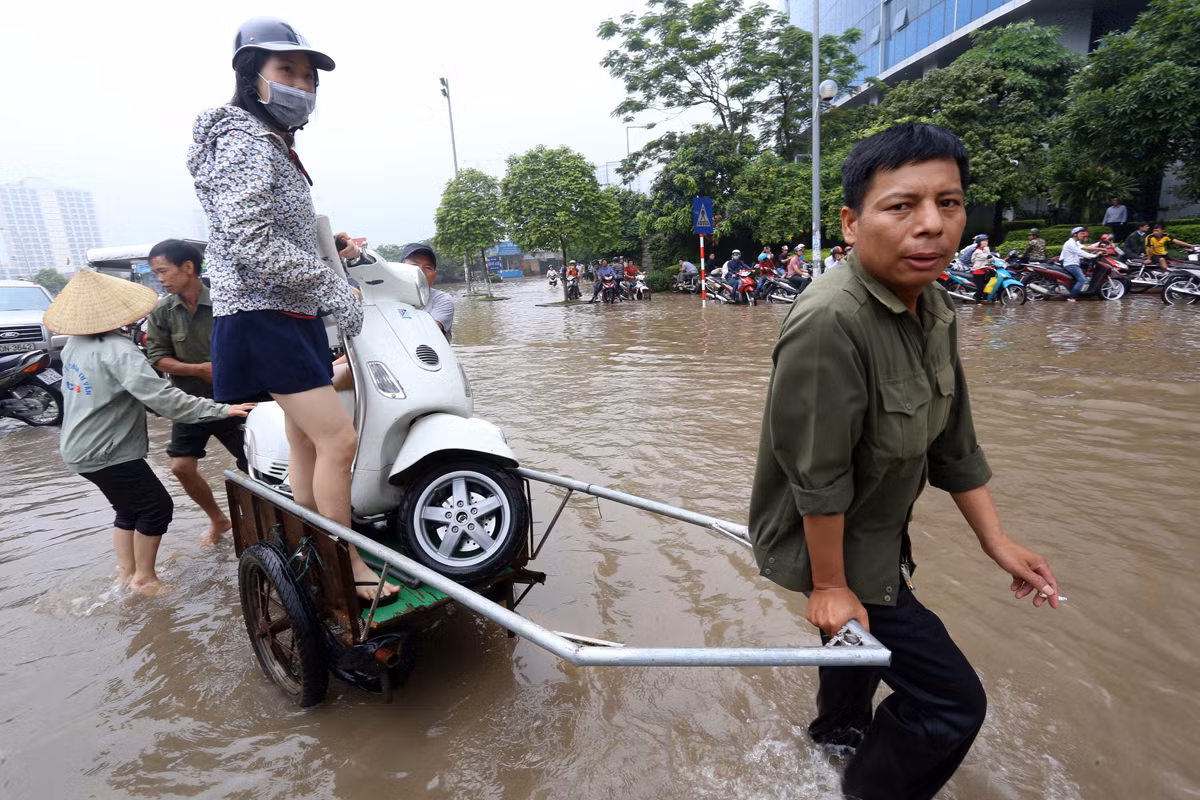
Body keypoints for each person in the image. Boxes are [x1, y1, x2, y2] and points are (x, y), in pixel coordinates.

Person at [749, 123, 1059, 800]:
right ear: (852, 223)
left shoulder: (936, 303)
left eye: (948, 203)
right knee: (951, 705)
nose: (932, 225)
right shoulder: (832, 320)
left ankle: (835, 740)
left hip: (881, 528)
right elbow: (818, 471)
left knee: (857, 661)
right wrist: (831, 585)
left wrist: (996, 539)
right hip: (827, 540)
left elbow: (954, 440)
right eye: (902, 206)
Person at [188, 17, 396, 600]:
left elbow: (283, 230)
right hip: (265, 313)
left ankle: (314, 543)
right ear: (251, 77)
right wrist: (333, 292)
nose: (301, 86)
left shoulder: (273, 141)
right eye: (286, 71)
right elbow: (252, 240)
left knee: (308, 442)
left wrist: (335, 261)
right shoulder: (242, 138)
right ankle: (346, 563)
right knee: (340, 442)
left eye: (309, 77)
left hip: (290, 312)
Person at [47, 270, 255, 595]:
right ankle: (145, 579)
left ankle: (126, 576)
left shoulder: (75, 345)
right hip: (108, 450)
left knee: (129, 508)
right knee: (157, 507)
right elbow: (163, 399)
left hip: (78, 448)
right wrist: (222, 408)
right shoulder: (119, 351)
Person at [145, 239, 249, 546]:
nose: (160, 279)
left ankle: (256, 522)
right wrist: (197, 370)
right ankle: (218, 519)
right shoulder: (163, 311)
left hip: (235, 399)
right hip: (190, 402)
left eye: (163, 271)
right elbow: (157, 357)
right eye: (156, 273)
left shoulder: (226, 301)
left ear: (188, 268)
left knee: (257, 465)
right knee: (180, 467)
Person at [1060, 226, 1101, 302]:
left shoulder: (1075, 243)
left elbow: (1085, 249)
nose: (1083, 235)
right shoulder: (1070, 243)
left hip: (1074, 263)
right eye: (1081, 233)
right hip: (1071, 265)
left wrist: (1099, 249)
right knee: (1082, 280)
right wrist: (1095, 256)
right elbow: (1081, 252)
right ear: (1075, 234)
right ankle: (1072, 297)